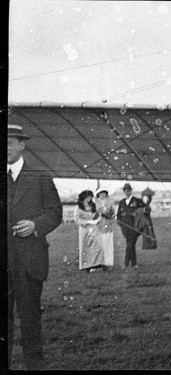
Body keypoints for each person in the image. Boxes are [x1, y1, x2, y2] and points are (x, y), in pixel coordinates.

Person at [7, 124, 63, 370]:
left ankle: (34, 365)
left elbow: (55, 213)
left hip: (29, 262)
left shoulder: (40, 176)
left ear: (22, 144)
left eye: (9, 142)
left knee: (30, 320)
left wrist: (35, 225)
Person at [74, 190, 103, 272]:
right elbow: (77, 219)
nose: (90, 198)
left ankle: (96, 264)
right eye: (88, 197)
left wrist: (97, 220)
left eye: (91, 196)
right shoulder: (78, 207)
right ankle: (87, 266)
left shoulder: (93, 206)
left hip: (95, 229)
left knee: (97, 246)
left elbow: (98, 215)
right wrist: (88, 222)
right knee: (86, 247)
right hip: (85, 230)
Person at [116, 183, 143, 269]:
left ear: (131, 191)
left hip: (134, 228)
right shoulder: (121, 202)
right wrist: (122, 226)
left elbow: (143, 213)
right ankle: (134, 264)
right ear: (124, 191)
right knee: (131, 245)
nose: (128, 192)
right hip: (125, 229)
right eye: (126, 191)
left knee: (130, 244)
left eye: (129, 190)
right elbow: (118, 216)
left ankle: (126, 263)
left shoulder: (137, 201)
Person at [94, 187, 116, 271]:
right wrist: (98, 213)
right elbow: (92, 215)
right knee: (98, 246)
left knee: (108, 246)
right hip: (98, 227)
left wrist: (109, 214)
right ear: (98, 194)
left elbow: (113, 214)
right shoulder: (95, 203)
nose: (103, 194)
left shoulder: (110, 202)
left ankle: (108, 264)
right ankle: (98, 264)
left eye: (104, 193)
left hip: (108, 227)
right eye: (101, 193)